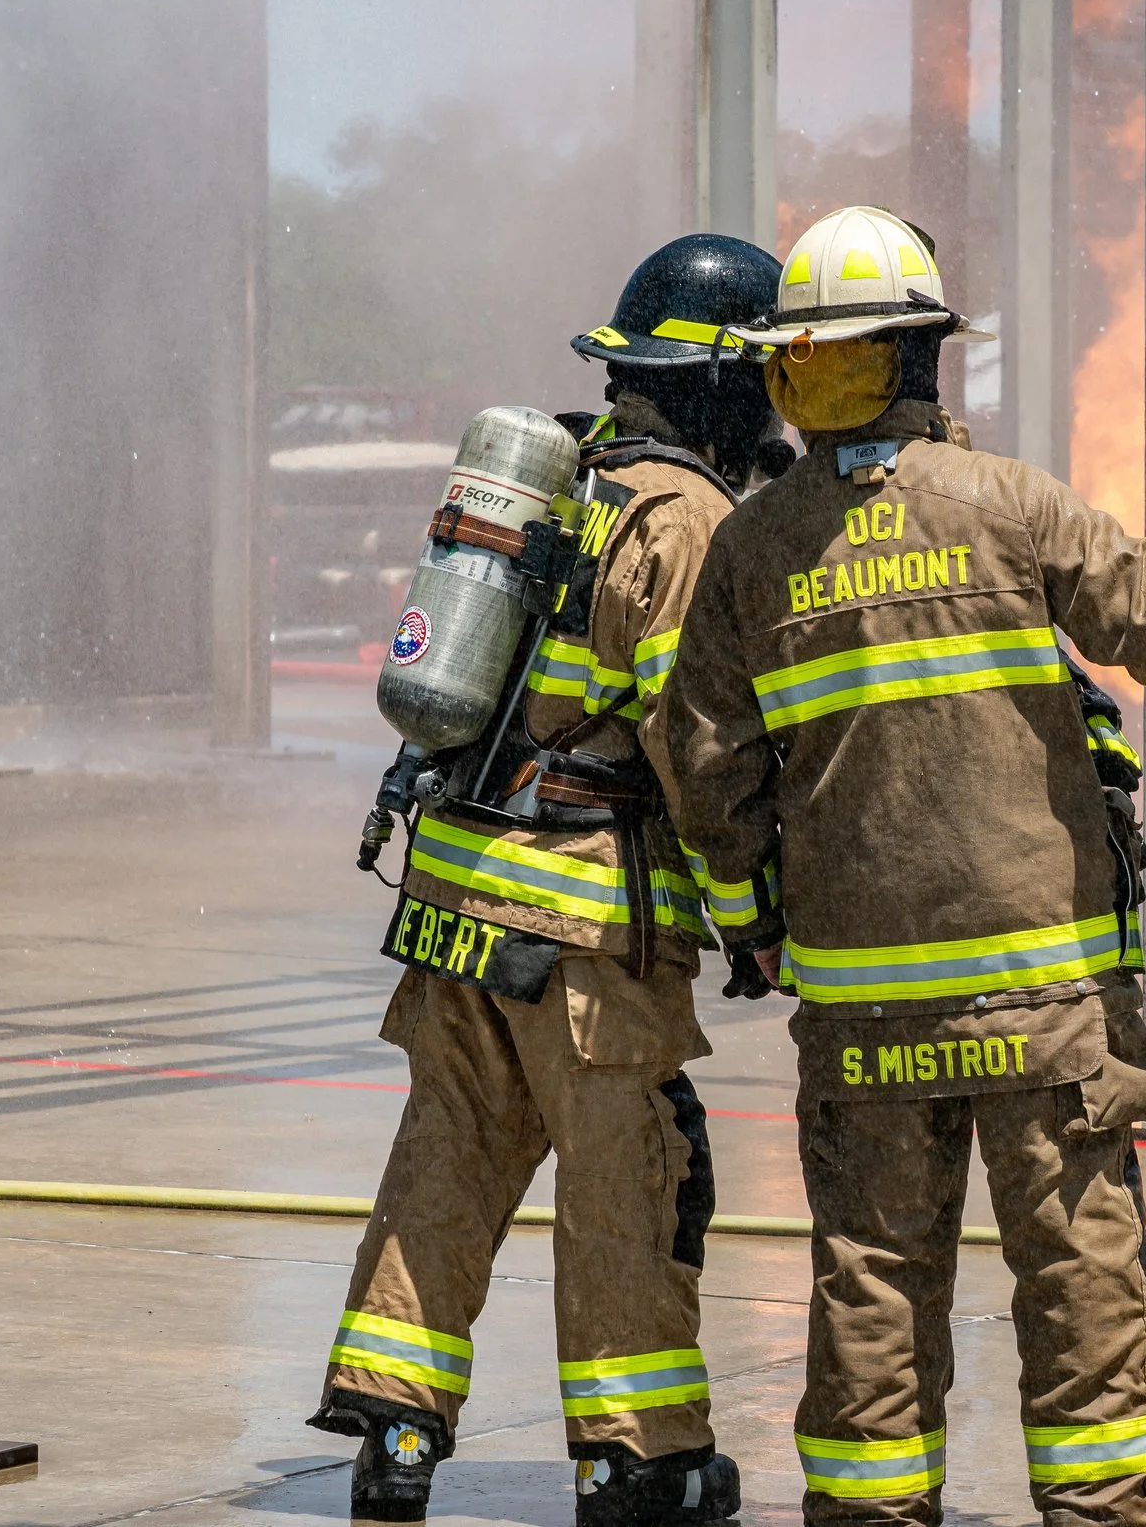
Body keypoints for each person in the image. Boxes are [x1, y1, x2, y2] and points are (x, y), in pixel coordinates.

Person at [663, 204, 1146, 1527]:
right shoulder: (1009, 505)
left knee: (871, 1287)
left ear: (790, 373)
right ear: (927, 361)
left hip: (863, 1018)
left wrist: (754, 920)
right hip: (1047, 1012)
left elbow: (707, 768)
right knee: (1083, 1288)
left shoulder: (751, 549)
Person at [310, 234, 790, 1525]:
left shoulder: (560, 482)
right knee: (630, 1183)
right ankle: (642, 1461)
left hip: (453, 906)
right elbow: (697, 744)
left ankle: (394, 1441)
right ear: (725, 387)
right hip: (583, 928)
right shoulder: (685, 520)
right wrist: (754, 913)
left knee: (447, 1165)